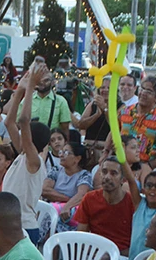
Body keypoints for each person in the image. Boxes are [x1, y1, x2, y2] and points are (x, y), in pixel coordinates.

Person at [5, 63, 54, 244]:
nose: (20, 134)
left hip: (24, 227)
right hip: (10, 223)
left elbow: (23, 120)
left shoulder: (35, 161)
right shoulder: (23, 154)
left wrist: (31, 87)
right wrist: (19, 91)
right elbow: (9, 123)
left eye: (25, 134)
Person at [117, 76, 156, 170]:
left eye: (149, 91)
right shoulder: (124, 111)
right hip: (120, 166)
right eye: (142, 88)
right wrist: (106, 151)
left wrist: (148, 166)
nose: (143, 93)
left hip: (140, 172)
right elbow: (114, 131)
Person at [44, 142, 92, 229]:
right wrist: (68, 201)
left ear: (77, 159)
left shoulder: (84, 175)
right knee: (50, 210)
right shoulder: (56, 170)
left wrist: (67, 207)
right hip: (59, 207)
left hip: (72, 211)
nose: (61, 155)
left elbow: (81, 195)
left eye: (65, 153)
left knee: (51, 211)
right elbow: (45, 190)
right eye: (61, 152)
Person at [130, 170, 156, 260]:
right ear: (143, 190)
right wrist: (122, 159)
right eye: (149, 185)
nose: (153, 189)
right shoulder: (139, 204)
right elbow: (131, 180)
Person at [30, 67, 72, 135]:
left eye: (46, 80)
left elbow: (65, 128)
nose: (42, 82)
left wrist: (64, 144)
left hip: (51, 142)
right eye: (39, 80)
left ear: (53, 83)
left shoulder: (61, 101)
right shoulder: (27, 100)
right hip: (30, 141)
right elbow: (18, 124)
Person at [77, 76, 113, 151]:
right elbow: (81, 125)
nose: (105, 90)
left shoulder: (120, 105)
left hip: (106, 150)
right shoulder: (93, 104)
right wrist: (95, 115)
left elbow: (116, 126)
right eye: (102, 87)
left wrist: (105, 109)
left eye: (109, 88)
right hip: (90, 148)